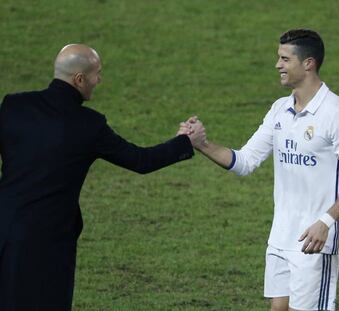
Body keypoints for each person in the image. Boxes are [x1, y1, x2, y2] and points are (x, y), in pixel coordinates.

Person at [0, 44, 205, 310]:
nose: (100, 80)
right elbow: (140, 161)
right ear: (79, 79)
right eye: (97, 73)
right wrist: (185, 141)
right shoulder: (88, 125)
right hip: (47, 242)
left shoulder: (13, 106)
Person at [181, 29, 339, 311]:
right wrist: (202, 144)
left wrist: (325, 222)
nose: (277, 65)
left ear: (308, 64)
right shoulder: (280, 110)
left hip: (315, 241)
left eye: (284, 59)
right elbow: (245, 161)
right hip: (281, 237)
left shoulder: (338, 115)